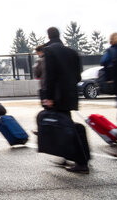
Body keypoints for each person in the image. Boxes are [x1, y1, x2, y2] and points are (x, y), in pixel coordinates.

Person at [43, 26, 89, 174]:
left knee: (67, 127)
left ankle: (82, 162)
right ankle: (80, 156)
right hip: (71, 94)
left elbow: (49, 76)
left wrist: (49, 97)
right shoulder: (72, 52)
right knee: (68, 124)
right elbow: (78, 76)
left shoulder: (49, 51)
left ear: (49, 36)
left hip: (57, 96)